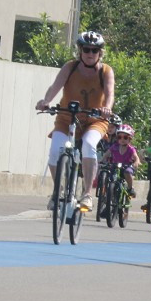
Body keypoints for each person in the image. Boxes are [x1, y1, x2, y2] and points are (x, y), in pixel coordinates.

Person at [36, 31, 115, 212]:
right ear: (80, 51)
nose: (90, 53)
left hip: (95, 121)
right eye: (86, 49)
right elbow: (55, 87)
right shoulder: (70, 67)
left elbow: (110, 94)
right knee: (55, 151)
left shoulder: (106, 71)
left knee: (88, 144)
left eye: (94, 50)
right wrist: (46, 101)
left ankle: (87, 194)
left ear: (100, 53)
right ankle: (58, 191)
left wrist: (107, 108)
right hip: (67, 118)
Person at [103, 123, 140, 199]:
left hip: (126, 166)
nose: (122, 139)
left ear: (130, 138)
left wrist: (136, 163)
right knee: (108, 175)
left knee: (127, 172)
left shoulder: (131, 149)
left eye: (125, 137)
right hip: (115, 165)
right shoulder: (114, 147)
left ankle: (130, 188)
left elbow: (136, 158)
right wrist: (101, 161)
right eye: (119, 137)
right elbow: (106, 154)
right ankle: (107, 198)